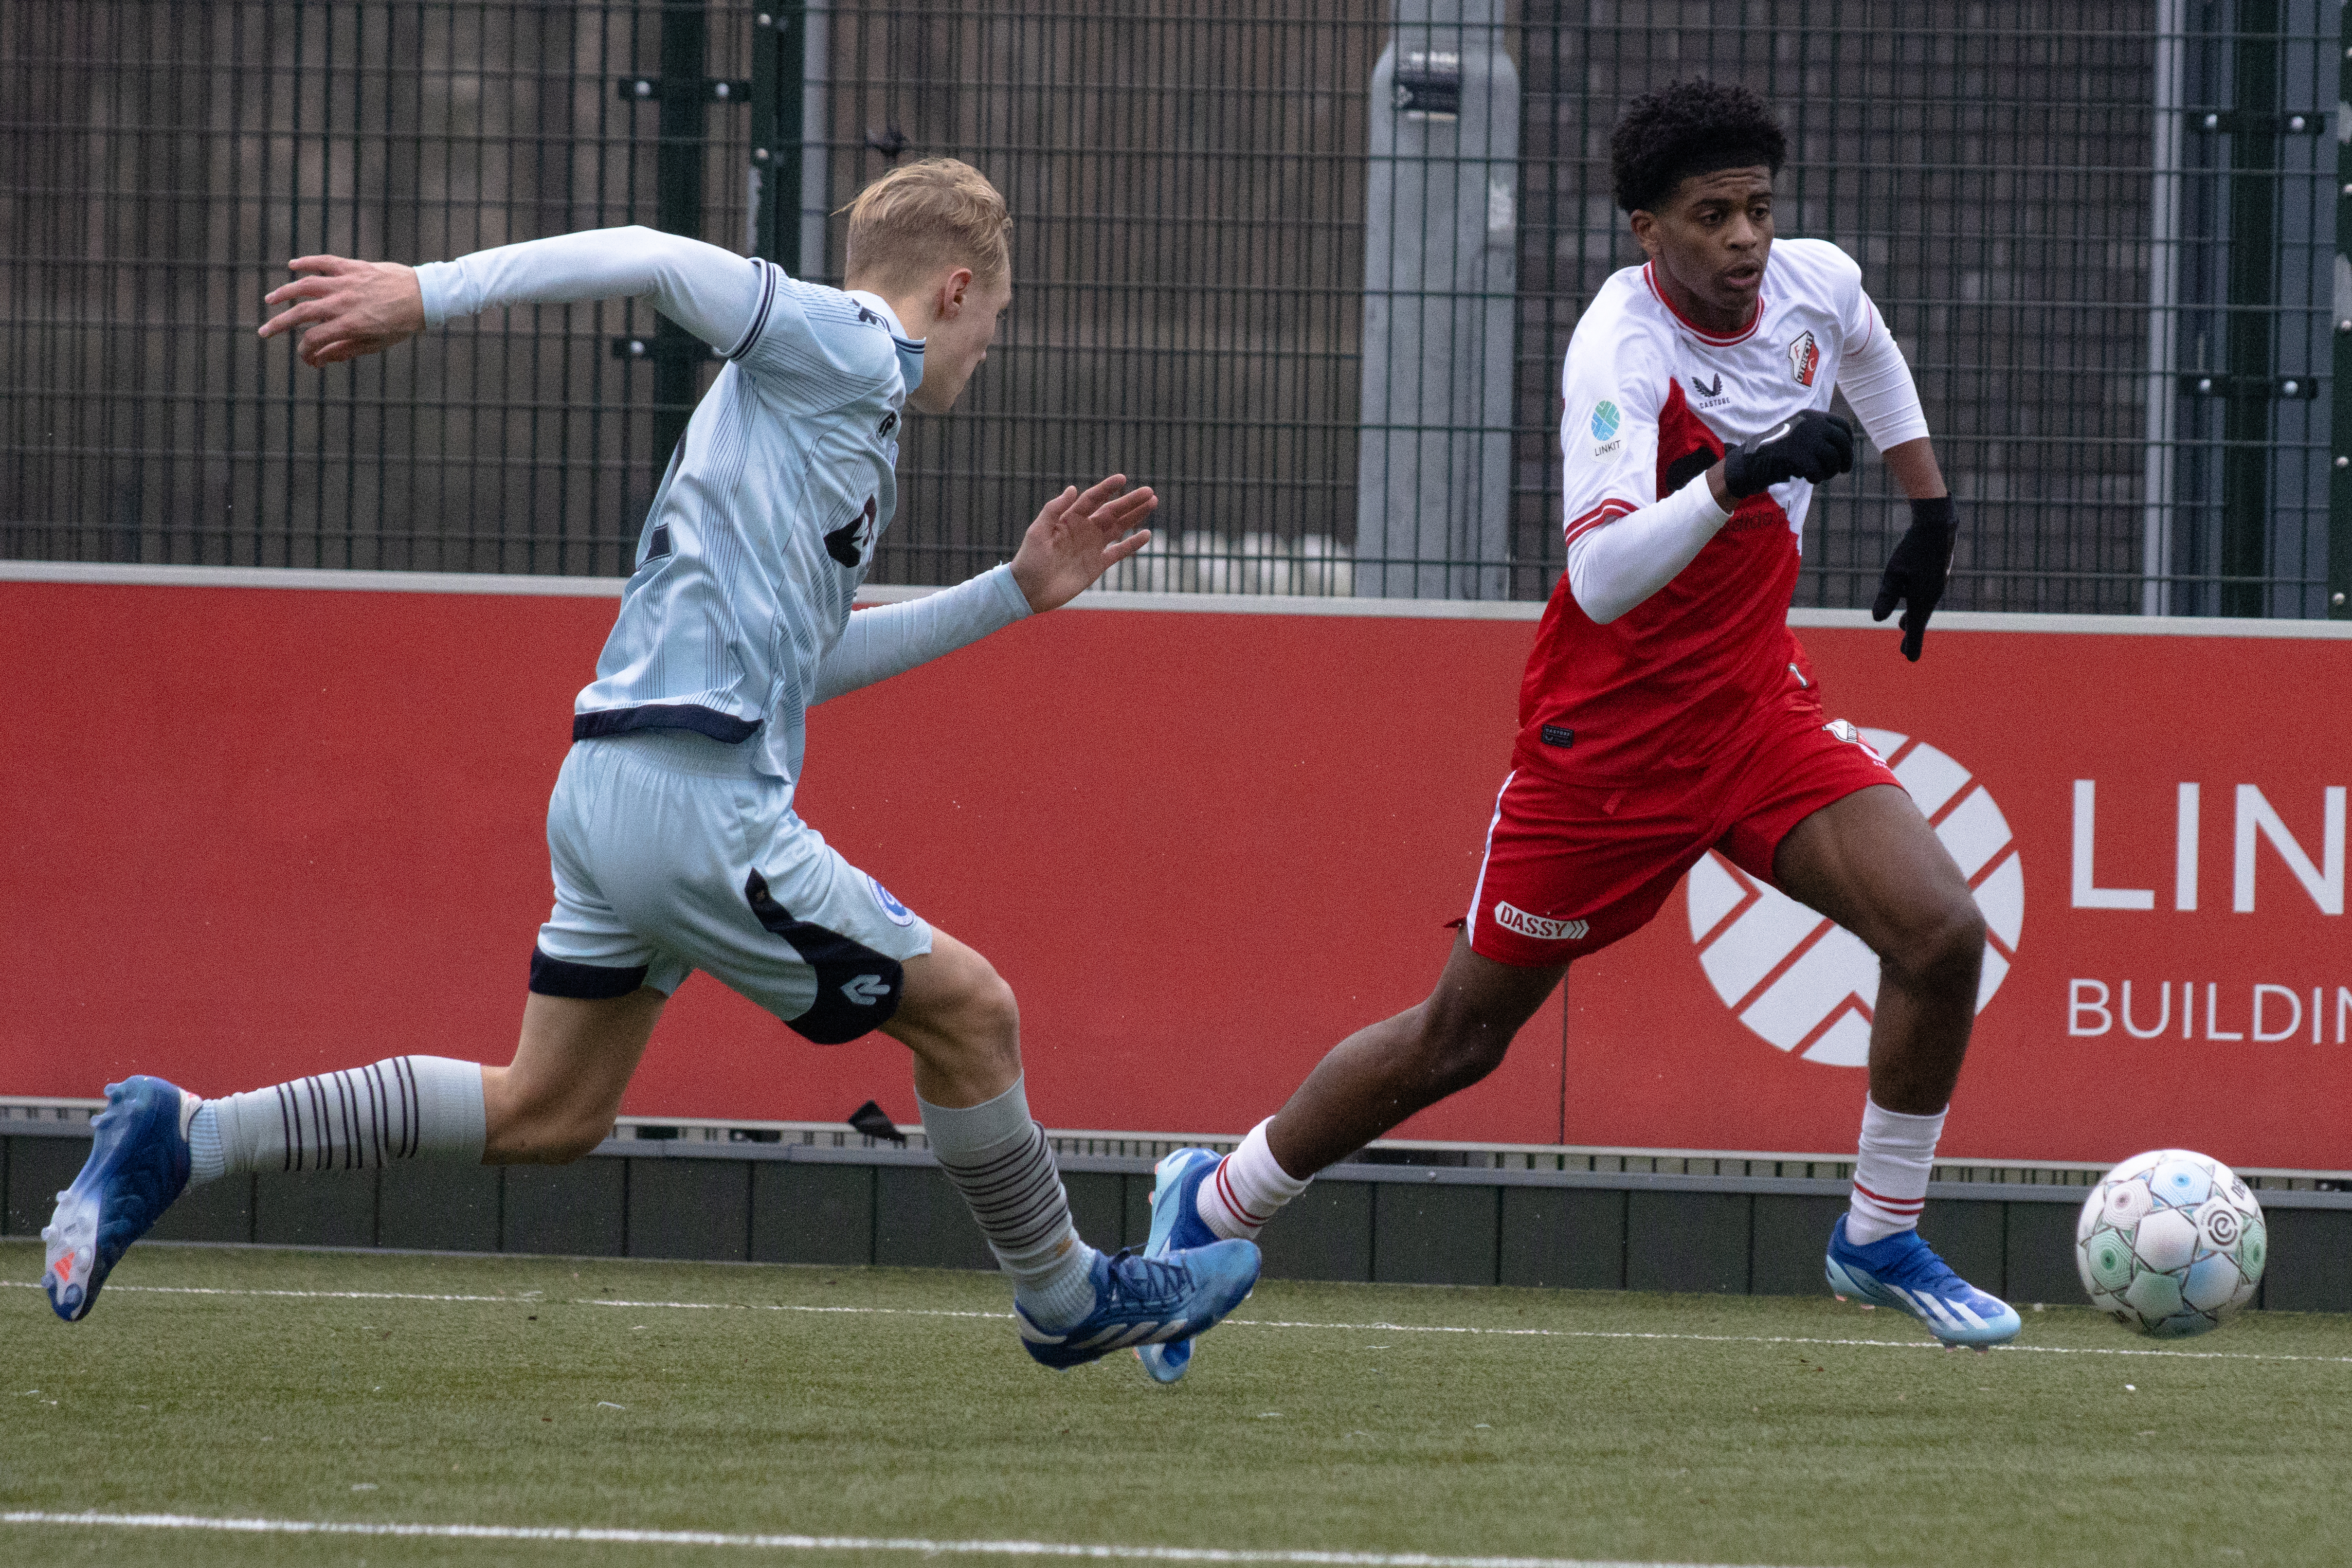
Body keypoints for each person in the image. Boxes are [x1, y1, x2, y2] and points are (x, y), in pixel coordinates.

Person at [41, 157, 1261, 1368]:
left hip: (611, 791)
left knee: (550, 1110)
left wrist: (1010, 593)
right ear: (952, 290)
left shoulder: (820, 414)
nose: (986, 350)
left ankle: (188, 1134)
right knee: (975, 1013)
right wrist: (427, 288)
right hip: (695, 800)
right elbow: (650, 252)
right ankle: (1063, 1295)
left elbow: (807, 665)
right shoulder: (850, 343)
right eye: (991, 323)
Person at [1134, 80, 2011, 1383]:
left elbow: (1868, 343)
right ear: (1645, 226)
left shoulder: (1811, 283)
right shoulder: (1621, 349)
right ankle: (1217, 1200)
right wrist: (1737, 471)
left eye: (1759, 210)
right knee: (1459, 1042)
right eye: (1710, 216)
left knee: (1942, 933)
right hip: (1601, 754)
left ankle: (1878, 1237)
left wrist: (1926, 505)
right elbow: (1600, 576)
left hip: (1756, 714)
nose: (1744, 240)